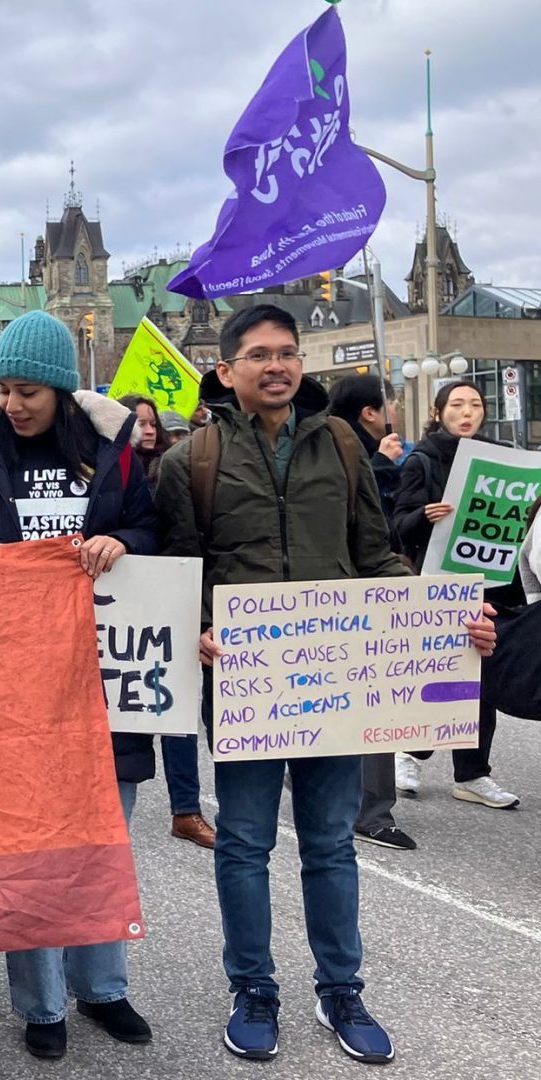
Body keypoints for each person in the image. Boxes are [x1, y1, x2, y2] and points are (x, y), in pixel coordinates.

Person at [155, 304, 496, 1066]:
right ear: (226, 370)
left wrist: (448, 623)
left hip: (336, 683)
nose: (276, 366)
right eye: (259, 355)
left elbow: (375, 558)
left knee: (330, 845)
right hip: (246, 684)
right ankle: (253, 988)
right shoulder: (191, 461)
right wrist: (199, 627)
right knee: (243, 843)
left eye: (287, 352)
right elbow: (182, 571)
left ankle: (341, 989)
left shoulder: (341, 443)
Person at [0, 310, 157, 1057]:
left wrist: (122, 541)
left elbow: (156, 533)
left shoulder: (115, 450)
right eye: (5, 389)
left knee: (102, 838)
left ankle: (103, 988)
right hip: (7, 683)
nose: (13, 404)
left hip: (102, 676)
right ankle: (42, 1005)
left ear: (59, 389)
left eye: (28, 391)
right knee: (26, 842)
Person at [390, 379, 518, 810]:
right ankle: (410, 752)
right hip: (436, 585)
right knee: (437, 674)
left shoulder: (499, 457)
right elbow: (398, 526)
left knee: (483, 677)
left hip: (488, 583)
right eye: (457, 404)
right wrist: (425, 515)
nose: (467, 412)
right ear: (438, 411)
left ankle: (473, 774)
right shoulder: (422, 460)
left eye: (475, 404)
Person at [114, 397, 214, 850]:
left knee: (175, 713)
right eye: (138, 422)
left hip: (168, 602)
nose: (148, 428)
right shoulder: (108, 473)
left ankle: (186, 810)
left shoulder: (173, 469)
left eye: (152, 421)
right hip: (122, 607)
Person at [326, 374, 415, 850]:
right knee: (371, 700)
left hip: (373, 587)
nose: (393, 412)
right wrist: (380, 468)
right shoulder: (344, 454)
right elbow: (363, 523)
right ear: (369, 412)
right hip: (350, 596)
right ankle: (372, 810)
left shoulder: (368, 452)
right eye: (389, 404)